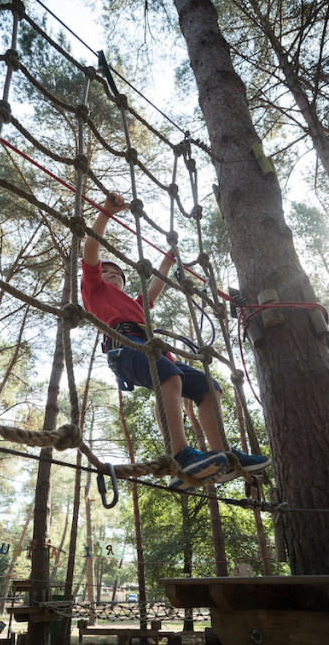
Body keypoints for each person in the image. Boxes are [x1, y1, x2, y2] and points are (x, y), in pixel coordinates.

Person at [81, 192, 271, 490]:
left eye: (117, 273)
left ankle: (224, 456)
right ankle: (180, 456)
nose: (112, 274)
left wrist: (169, 258)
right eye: (106, 271)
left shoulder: (135, 305)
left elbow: (154, 287)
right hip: (123, 346)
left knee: (209, 386)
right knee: (167, 377)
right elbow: (90, 250)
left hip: (152, 349)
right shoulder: (94, 291)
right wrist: (106, 212)